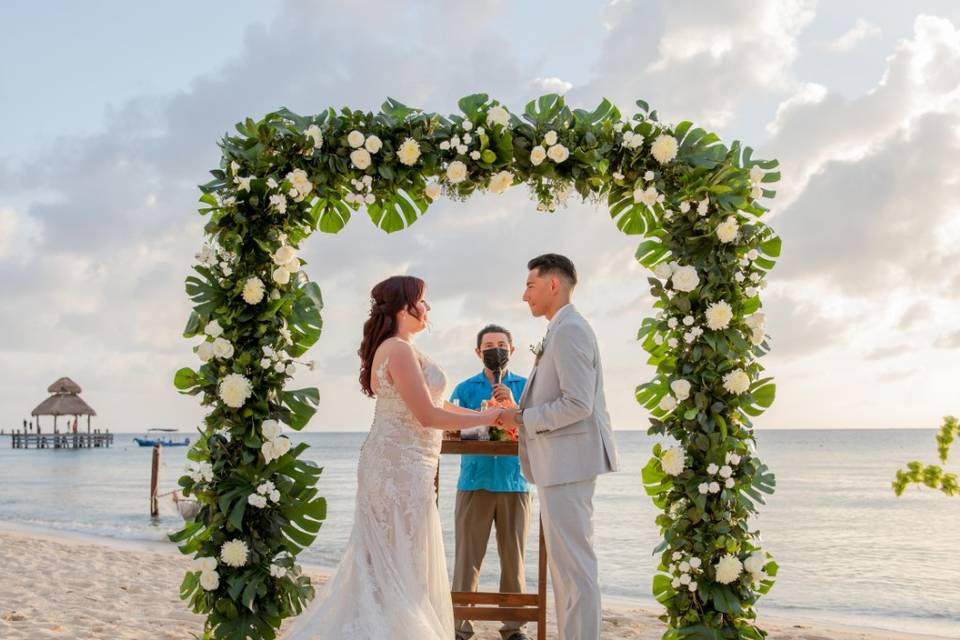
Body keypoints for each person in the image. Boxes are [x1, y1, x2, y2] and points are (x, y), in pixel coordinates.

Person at [284, 275, 503, 640]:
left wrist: (481, 414)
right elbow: (428, 416)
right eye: (424, 301)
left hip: (408, 463)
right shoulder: (398, 350)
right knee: (397, 558)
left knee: (400, 557)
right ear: (405, 306)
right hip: (397, 467)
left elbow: (437, 405)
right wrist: (484, 418)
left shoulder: (404, 349)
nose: (428, 308)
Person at [497, 253, 620, 640]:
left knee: (576, 571)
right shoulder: (560, 328)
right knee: (567, 573)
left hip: (569, 463)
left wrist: (521, 420)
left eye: (530, 285)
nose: (524, 295)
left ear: (554, 284)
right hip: (561, 463)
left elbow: (578, 403)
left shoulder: (570, 330)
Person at [450, 324, 531, 640]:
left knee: (514, 558)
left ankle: (513, 628)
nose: (495, 349)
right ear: (478, 352)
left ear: (512, 350)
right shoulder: (465, 388)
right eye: (488, 345)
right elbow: (455, 428)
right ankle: (460, 625)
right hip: (474, 481)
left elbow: (536, 427)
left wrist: (512, 405)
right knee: (467, 558)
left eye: (501, 344)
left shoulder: (527, 387)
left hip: (515, 481)